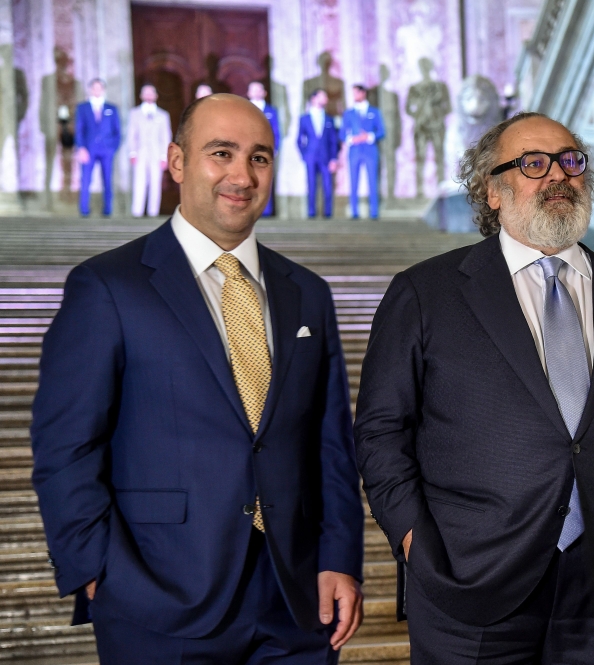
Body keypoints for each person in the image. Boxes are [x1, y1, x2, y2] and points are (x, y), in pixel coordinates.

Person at [32, 93, 365, 664]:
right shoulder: (108, 287)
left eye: (259, 157)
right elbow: (65, 444)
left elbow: (331, 443)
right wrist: (94, 568)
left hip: (297, 598)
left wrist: (339, 557)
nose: (242, 174)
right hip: (159, 599)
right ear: (178, 162)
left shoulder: (308, 293)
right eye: (221, 153)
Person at [354, 111, 594, 664]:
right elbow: (380, 431)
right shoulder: (426, 293)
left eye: (570, 161)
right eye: (533, 164)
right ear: (492, 190)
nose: (557, 175)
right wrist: (413, 537)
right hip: (470, 578)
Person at [405, 57, 450, 198]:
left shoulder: (440, 87)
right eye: (422, 66)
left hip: (437, 126)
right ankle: (419, 191)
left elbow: (448, 107)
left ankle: (441, 190)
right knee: (420, 157)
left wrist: (435, 113)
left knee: (439, 156)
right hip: (421, 127)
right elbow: (408, 108)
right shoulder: (414, 88)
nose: (424, 68)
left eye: (426, 65)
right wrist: (420, 114)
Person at [75, 78, 120, 216]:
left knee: (107, 180)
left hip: (107, 150)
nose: (97, 90)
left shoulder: (111, 109)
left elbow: (117, 131)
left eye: (99, 88)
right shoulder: (82, 108)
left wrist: (113, 148)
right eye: (94, 88)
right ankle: (84, 210)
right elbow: (79, 129)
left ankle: (107, 210)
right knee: (86, 180)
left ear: (103, 90)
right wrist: (81, 148)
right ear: (90, 90)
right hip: (89, 149)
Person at [340, 84, 384, 219]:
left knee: (373, 182)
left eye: (356, 93)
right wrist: (352, 139)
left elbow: (382, 132)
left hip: (370, 150)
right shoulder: (349, 113)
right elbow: (342, 134)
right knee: (353, 182)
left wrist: (369, 136)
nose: (354, 96)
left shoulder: (374, 112)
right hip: (354, 151)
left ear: (363, 93)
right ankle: (354, 211)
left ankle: (374, 212)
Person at [127, 84, 172, 217]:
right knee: (139, 183)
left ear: (156, 96)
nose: (148, 96)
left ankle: (153, 213)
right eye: (145, 93)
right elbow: (131, 134)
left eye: (151, 93)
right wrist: (132, 152)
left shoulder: (162, 115)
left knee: (155, 184)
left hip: (156, 154)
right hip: (140, 153)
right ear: (141, 96)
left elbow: (166, 136)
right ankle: (137, 212)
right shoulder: (134, 113)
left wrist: (165, 156)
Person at [298, 89, 340, 219]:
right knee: (311, 184)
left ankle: (328, 213)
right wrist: (304, 154)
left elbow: (334, 141)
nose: (326, 99)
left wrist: (334, 158)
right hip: (311, 156)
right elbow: (299, 139)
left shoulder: (329, 119)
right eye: (323, 96)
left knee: (327, 186)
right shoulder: (304, 118)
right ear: (314, 98)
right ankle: (311, 212)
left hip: (326, 156)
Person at [248, 81, 281, 217]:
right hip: (246, 151)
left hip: (264, 152)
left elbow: (276, 132)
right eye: (253, 89)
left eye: (258, 89)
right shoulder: (244, 109)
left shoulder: (271, 111)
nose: (255, 92)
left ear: (264, 92)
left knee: (265, 180)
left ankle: (266, 211)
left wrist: (275, 148)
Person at [374, 64, 401, 201]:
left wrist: (398, 137)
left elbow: (397, 118)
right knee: (376, 166)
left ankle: (390, 195)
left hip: (390, 135)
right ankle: (376, 195)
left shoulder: (392, 96)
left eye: (385, 72)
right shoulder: (372, 94)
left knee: (391, 165)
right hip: (375, 137)